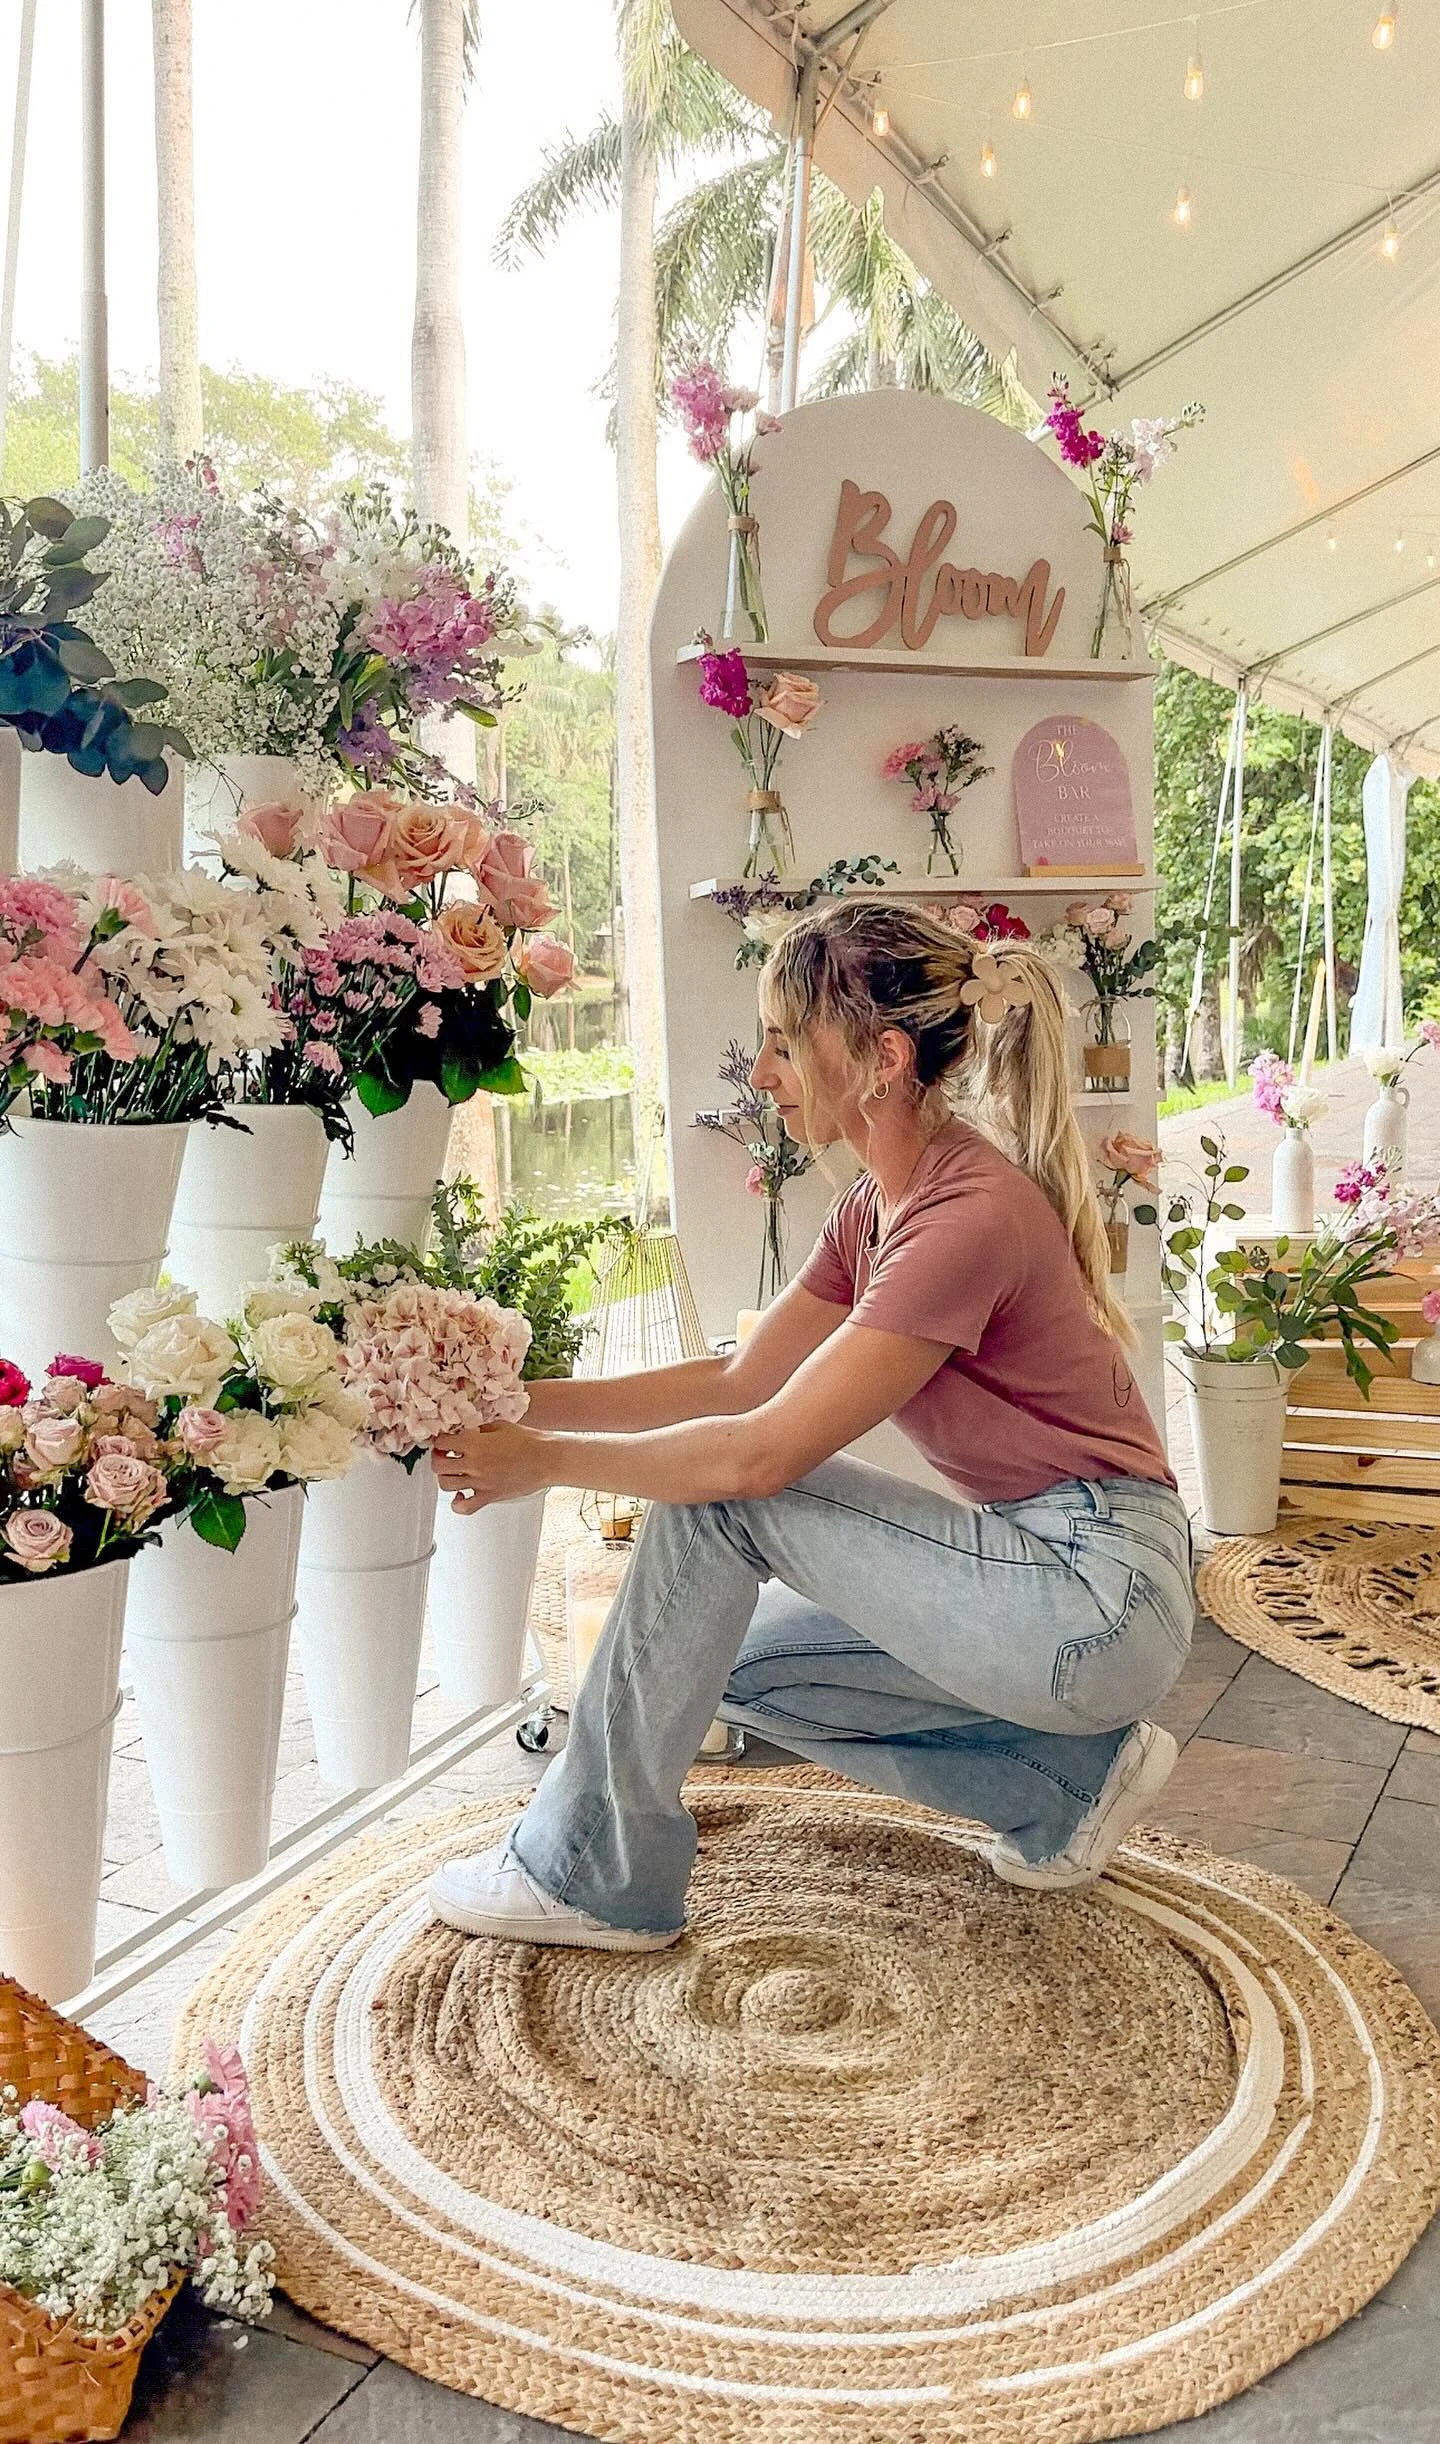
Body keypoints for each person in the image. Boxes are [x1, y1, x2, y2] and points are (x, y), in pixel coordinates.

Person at [428, 901, 1192, 1954]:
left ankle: (591, 1868)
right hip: (1051, 1581)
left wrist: (547, 1464)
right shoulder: (874, 1209)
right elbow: (739, 1380)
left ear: (880, 1058)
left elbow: (760, 1451)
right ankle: (1067, 1780)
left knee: (730, 1497)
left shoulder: (966, 1213)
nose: (766, 1072)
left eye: (787, 1042)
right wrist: (516, 1403)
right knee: (716, 1657)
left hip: (1097, 1594)